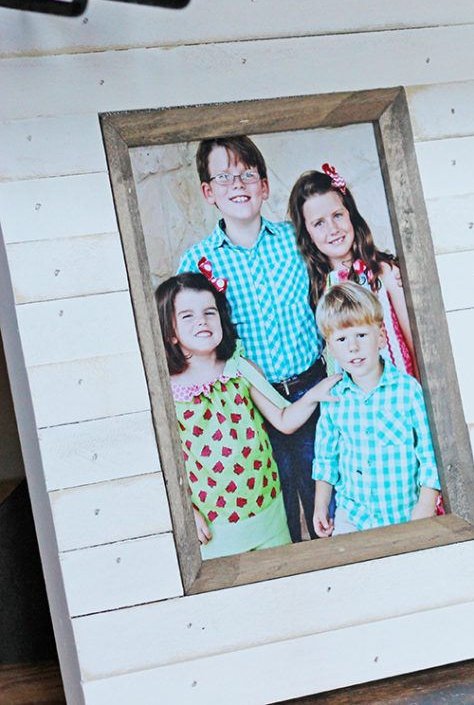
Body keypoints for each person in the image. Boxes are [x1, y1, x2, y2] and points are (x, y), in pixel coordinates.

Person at [177, 136, 324, 543]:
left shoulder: (297, 241)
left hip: (311, 387)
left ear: (264, 186)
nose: (237, 185)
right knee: (280, 516)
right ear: (208, 192)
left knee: (325, 502)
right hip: (248, 406)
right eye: (224, 177)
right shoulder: (198, 262)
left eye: (247, 174)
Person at [156, 272, 339, 559]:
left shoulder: (239, 367)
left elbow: (283, 418)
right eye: (187, 316)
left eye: (209, 311)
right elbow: (165, 464)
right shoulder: (165, 391)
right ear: (170, 332)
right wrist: (186, 512)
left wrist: (313, 395)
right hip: (217, 531)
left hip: (269, 513)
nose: (202, 320)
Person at [311, 282, 440, 536]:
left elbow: (428, 454)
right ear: (331, 348)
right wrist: (321, 505)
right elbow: (326, 458)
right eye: (341, 339)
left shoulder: (407, 391)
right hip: (353, 517)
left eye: (361, 335)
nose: (353, 347)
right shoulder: (334, 399)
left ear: (380, 336)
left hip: (404, 515)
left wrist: (426, 505)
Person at [288, 164, 417, 378]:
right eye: (319, 223)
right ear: (307, 233)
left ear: (351, 215)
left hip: (400, 395)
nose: (333, 229)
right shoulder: (318, 288)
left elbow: (415, 345)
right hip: (356, 407)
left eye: (337, 215)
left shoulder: (384, 273)